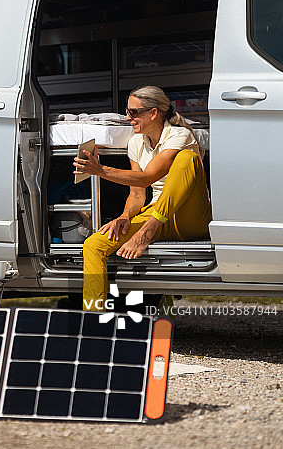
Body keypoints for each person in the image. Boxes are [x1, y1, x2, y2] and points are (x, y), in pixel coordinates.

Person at [73, 86, 212, 311]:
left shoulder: (179, 134)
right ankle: (93, 316)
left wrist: (100, 170)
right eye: (127, 112)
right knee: (93, 244)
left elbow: (148, 177)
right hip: (155, 214)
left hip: (189, 216)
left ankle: (147, 232)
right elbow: (137, 193)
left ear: (153, 113)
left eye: (133, 112)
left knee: (187, 159)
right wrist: (125, 216)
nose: (127, 118)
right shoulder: (136, 142)